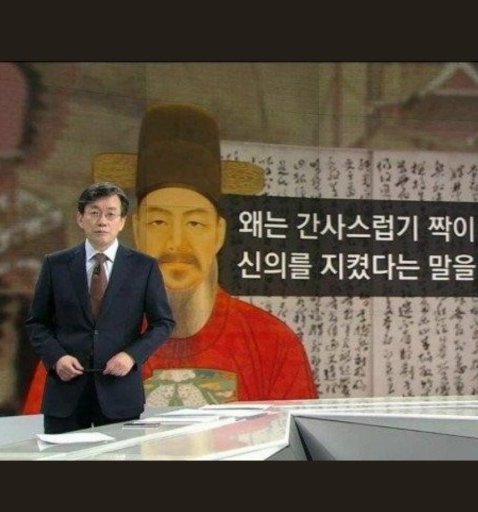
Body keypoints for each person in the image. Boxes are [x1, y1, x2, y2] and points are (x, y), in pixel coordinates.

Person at [24, 103, 317, 412]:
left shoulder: (271, 342)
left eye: (195, 223)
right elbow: (40, 436)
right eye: (159, 222)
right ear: (137, 230)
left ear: (218, 233)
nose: (176, 243)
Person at [23, 182, 175, 433]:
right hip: (66, 392)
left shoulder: (144, 267)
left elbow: (163, 323)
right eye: (94, 213)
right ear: (80, 219)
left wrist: (131, 356)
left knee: (121, 457)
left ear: (122, 222)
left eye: (111, 214)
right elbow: (37, 323)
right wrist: (57, 357)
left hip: (120, 392)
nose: (102, 221)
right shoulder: (55, 265)